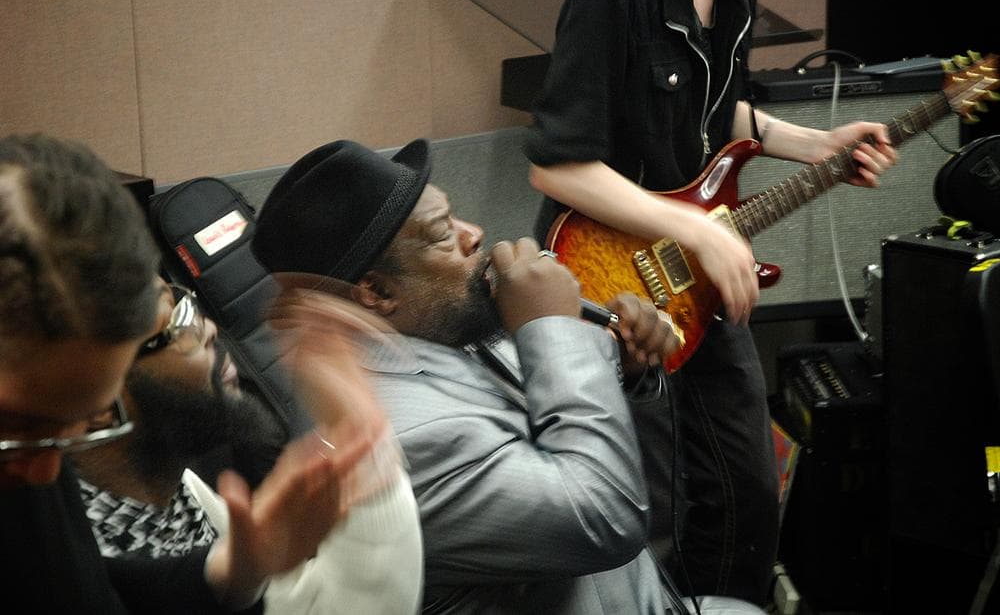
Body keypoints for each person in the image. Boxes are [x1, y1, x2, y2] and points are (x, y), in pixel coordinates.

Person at [523, 0, 899, 606]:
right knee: (650, 513)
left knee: (747, 492)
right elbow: (557, 166)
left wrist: (818, 144)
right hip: (607, 275)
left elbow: (714, 112)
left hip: (695, 272)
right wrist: (695, 229)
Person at [251, 137, 764, 614]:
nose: (474, 235)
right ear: (378, 292)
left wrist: (623, 366)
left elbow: (563, 425)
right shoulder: (398, 442)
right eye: (442, 234)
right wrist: (553, 330)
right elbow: (604, 516)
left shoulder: (439, 331)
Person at [0, 132, 366, 613]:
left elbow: (83, 587)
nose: (52, 469)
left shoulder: (31, 447)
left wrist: (231, 570)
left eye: (87, 418)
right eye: (22, 429)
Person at [75, 278, 424, 614]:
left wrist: (355, 430)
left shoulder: (172, 488)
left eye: (182, 300)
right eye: (179, 322)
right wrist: (364, 439)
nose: (209, 327)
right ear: (100, 407)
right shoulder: (82, 573)